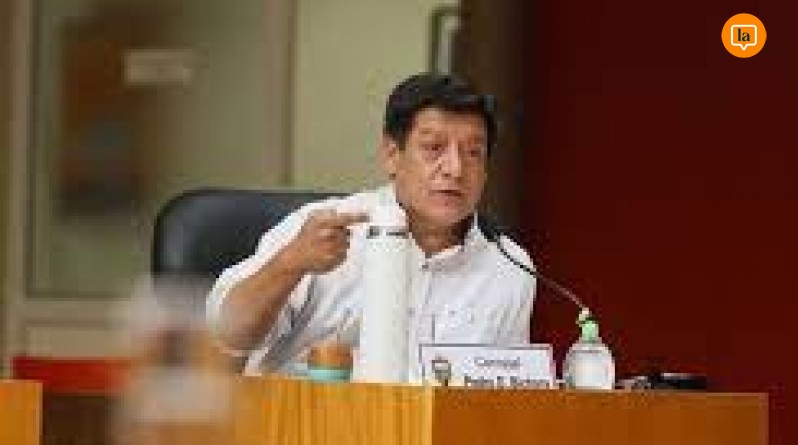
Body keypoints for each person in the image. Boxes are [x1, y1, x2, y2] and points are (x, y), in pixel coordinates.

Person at [206, 73, 536, 377]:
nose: (455, 168)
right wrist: (290, 263)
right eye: (434, 148)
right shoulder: (323, 229)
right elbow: (226, 337)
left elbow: (504, 395)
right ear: (392, 155)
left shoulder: (510, 267)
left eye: (473, 153)